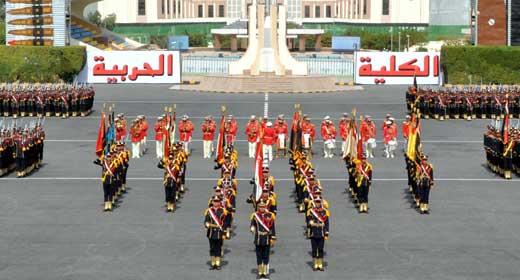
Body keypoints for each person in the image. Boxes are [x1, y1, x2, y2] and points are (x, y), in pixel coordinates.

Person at [250, 201, 276, 278]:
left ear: (265, 207)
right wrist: (252, 228)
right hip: (258, 238)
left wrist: (272, 238)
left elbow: (272, 227)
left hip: (267, 238)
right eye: (260, 206)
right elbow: (252, 224)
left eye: (263, 206)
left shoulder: (270, 215)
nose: (262, 208)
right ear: (258, 207)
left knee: (266, 255)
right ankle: (260, 271)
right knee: (259, 255)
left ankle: (264, 271)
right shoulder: (255, 215)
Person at [204, 196, 228, 270]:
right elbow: (206, 221)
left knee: (218, 248)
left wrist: (224, 230)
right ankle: (213, 263)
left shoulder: (223, 211)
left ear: (219, 202)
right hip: (211, 233)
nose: (216, 202)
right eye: (214, 201)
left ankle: (217, 264)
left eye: (217, 201)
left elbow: (226, 222)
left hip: (219, 233)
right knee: (212, 248)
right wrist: (208, 224)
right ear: (212, 202)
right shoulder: (209, 211)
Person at [306, 198, 330, 271]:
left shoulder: (324, 212)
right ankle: (315, 264)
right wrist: (311, 223)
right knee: (314, 249)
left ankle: (320, 264)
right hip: (313, 233)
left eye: (319, 202)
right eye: (316, 202)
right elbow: (308, 222)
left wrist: (326, 233)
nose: (317, 203)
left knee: (320, 249)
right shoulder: (311, 211)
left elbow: (327, 223)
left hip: (321, 233)